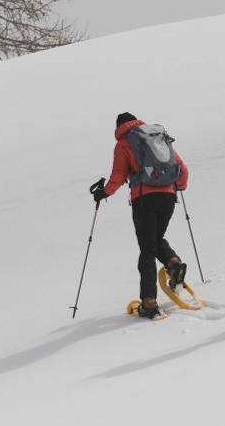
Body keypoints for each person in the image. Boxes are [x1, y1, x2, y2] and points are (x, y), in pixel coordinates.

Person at [93, 112, 189, 321]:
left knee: (147, 249)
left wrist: (103, 193)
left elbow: (118, 176)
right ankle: (173, 264)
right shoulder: (156, 137)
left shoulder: (124, 143)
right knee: (154, 239)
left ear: (119, 126)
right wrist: (177, 187)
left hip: (144, 198)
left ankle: (149, 303)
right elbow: (182, 169)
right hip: (168, 198)